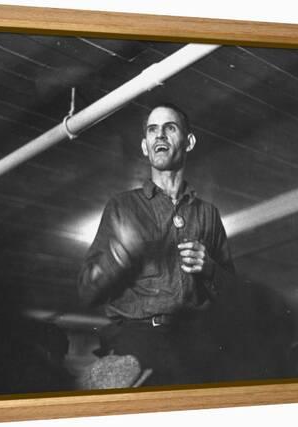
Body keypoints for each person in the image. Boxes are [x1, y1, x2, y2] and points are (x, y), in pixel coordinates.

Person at [78, 103, 236, 386]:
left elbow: (235, 297)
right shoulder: (122, 205)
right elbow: (86, 291)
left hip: (193, 347)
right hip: (135, 344)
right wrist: (119, 255)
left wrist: (210, 268)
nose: (159, 136)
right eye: (152, 130)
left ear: (189, 142)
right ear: (144, 145)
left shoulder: (208, 213)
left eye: (169, 128)